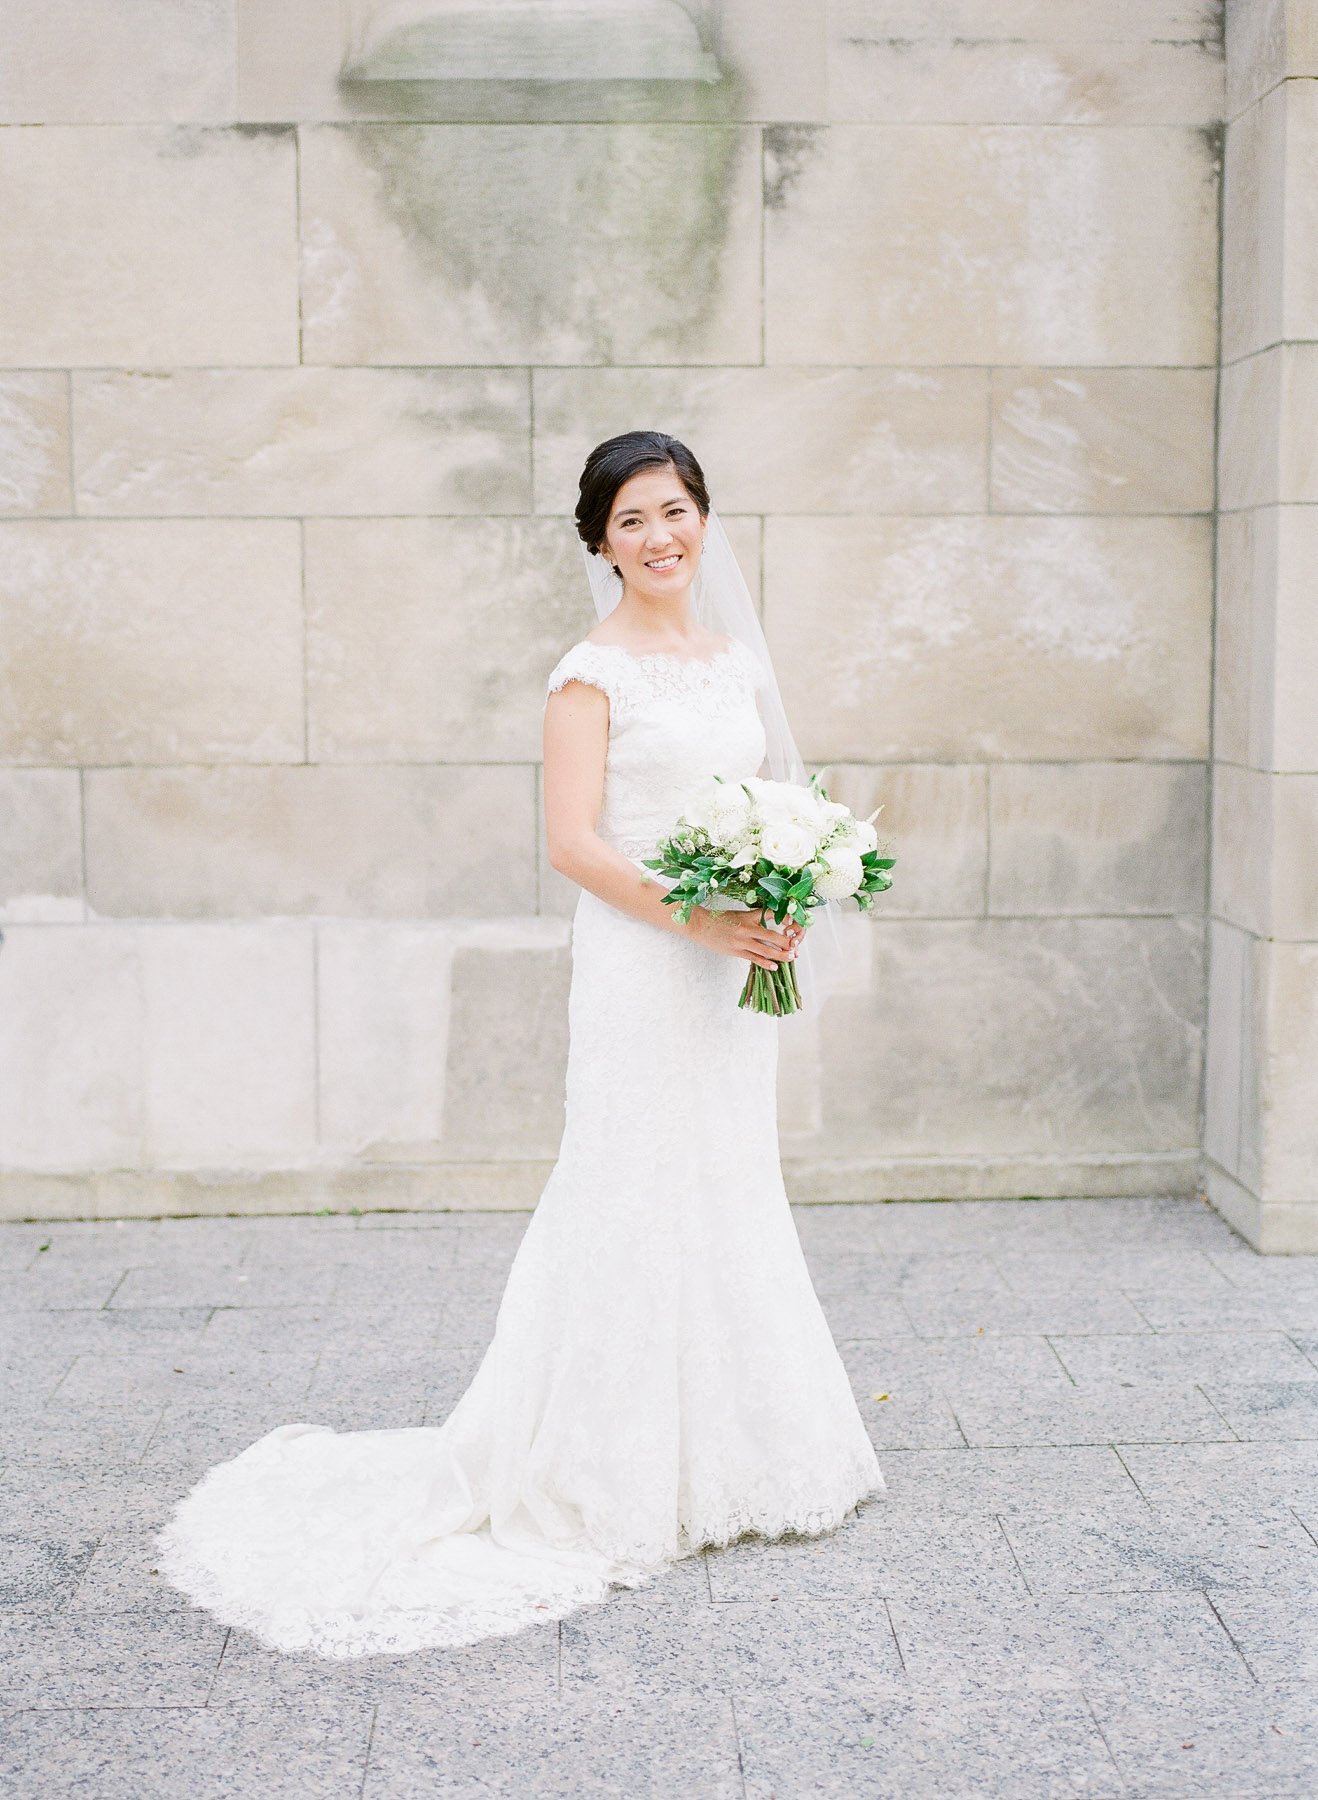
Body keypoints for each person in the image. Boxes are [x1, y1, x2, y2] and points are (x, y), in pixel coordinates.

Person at [152, 431, 884, 1658]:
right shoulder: (587, 674)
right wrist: (700, 916)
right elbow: (576, 845)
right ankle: (605, 1470)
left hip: (726, 976)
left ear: (705, 518)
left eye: (675, 511)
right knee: (628, 1184)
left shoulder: (735, 662)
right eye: (631, 521)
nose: (660, 538)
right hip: (646, 967)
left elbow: (779, 805)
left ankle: (736, 1453)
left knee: (722, 1182)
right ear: (598, 544)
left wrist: (782, 895)